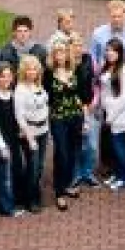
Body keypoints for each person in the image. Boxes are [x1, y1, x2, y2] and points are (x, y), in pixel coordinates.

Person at [45, 40, 84, 211]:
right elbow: (46, 97)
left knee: (74, 151)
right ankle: (59, 192)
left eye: (63, 52)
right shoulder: (48, 73)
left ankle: (68, 184)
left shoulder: (75, 70)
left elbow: (82, 94)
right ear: (53, 55)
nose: (60, 56)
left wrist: (84, 117)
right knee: (61, 153)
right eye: (57, 53)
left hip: (75, 116)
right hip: (58, 117)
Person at [14, 54, 51, 212]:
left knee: (40, 166)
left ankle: (34, 193)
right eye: (29, 69)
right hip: (30, 133)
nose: (32, 72)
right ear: (23, 71)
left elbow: (44, 107)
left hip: (43, 130)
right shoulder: (20, 90)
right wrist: (30, 139)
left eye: (35, 69)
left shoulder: (39, 86)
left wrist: (47, 130)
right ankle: (31, 200)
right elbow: (19, 116)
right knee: (33, 166)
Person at [0, 62, 24, 217]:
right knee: (4, 176)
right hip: (2, 142)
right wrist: (2, 146)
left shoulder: (12, 94)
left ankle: (13, 201)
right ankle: (7, 208)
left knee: (15, 170)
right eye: (3, 76)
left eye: (9, 76)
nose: (6, 79)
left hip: (14, 139)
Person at [98, 38, 125, 190]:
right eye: (107, 50)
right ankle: (117, 174)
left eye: (113, 50)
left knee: (120, 147)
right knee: (113, 147)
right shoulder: (106, 67)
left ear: (120, 53)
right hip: (108, 113)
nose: (109, 53)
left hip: (119, 116)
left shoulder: (123, 70)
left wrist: (111, 116)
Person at [70, 32, 102, 188]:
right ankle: (75, 174)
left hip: (90, 108)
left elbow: (97, 83)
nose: (77, 48)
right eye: (74, 45)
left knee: (92, 145)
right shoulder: (66, 64)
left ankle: (88, 172)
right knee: (76, 144)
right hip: (73, 110)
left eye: (80, 45)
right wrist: (77, 105)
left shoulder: (90, 60)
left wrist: (94, 102)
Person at [91, 0, 125, 68]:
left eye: (119, 16)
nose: (116, 19)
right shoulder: (98, 33)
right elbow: (93, 57)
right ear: (109, 15)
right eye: (113, 16)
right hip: (104, 73)